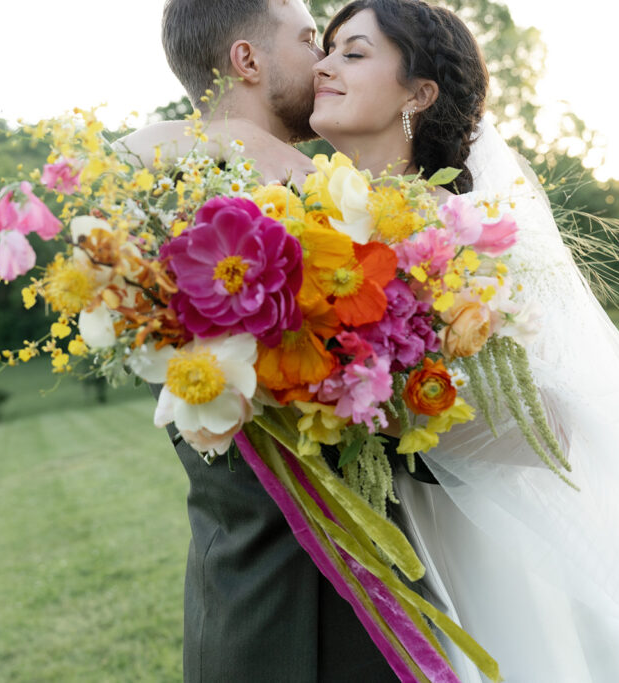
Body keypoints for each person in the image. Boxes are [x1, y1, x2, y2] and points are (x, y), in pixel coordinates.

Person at [306, 1, 619, 681]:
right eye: (326, 50)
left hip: (487, 539)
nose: (323, 66)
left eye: (352, 53)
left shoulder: (464, 234)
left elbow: (554, 421)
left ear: (418, 93)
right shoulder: (310, 223)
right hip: (383, 538)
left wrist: (382, 411)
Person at [115, 1, 401, 681]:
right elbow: (117, 163)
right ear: (247, 60)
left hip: (367, 591)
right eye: (308, 41)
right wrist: (243, 142)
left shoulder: (322, 187)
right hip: (260, 607)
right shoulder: (171, 193)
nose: (325, 61)